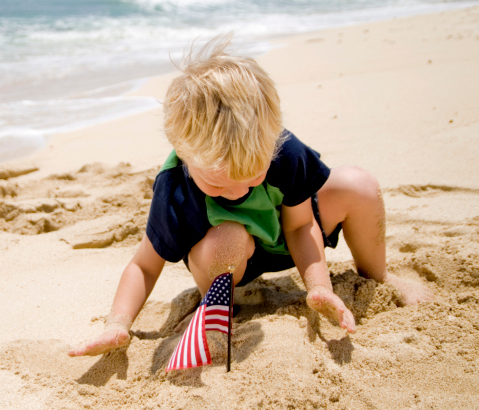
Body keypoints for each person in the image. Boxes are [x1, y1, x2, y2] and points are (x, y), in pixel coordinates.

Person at [68, 35, 433, 358]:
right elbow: (144, 266)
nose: (239, 191)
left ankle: (377, 276)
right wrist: (118, 323)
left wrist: (319, 287)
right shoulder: (175, 188)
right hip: (227, 261)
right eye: (219, 184)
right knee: (228, 235)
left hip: (284, 237)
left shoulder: (281, 150)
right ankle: (218, 308)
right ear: (183, 153)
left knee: (359, 185)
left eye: (253, 175)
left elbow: (301, 225)